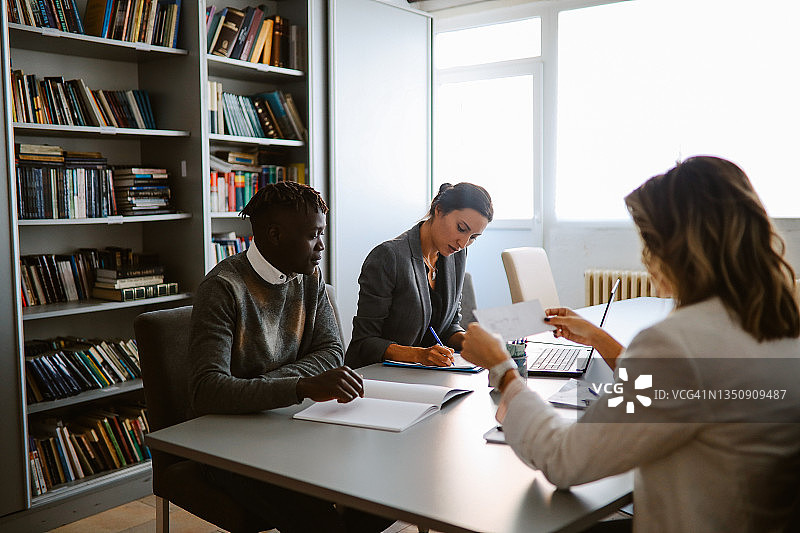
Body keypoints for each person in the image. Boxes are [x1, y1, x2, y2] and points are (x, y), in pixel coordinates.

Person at [461, 156, 800, 532]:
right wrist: (601, 339)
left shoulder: (678, 343)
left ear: (677, 250)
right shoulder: (781, 326)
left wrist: (503, 369)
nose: (645, 257)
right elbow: (683, 393)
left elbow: (563, 460)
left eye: (648, 243)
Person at [189, 182, 393, 533]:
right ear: (275, 235)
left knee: (382, 495)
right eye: (313, 235)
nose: (321, 246)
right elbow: (208, 391)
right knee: (322, 523)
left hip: (293, 424)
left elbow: (331, 353)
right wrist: (301, 385)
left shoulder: (309, 276)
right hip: (229, 443)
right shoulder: (222, 288)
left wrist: (273, 386)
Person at [345, 182, 493, 368]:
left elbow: (449, 325)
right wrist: (419, 355)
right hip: (379, 377)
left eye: (473, 237)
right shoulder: (388, 256)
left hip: (429, 375)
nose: (463, 243)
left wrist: (474, 343)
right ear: (439, 210)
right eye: (461, 228)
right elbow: (364, 343)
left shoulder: (456, 256)